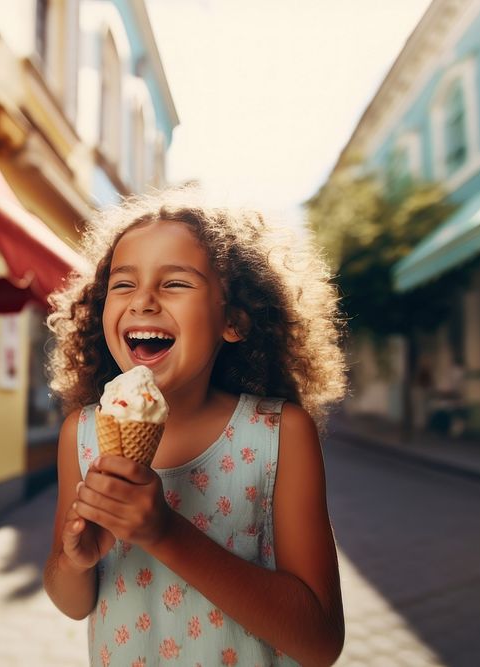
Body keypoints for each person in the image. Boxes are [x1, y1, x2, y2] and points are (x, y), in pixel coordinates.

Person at [43, 189, 348, 666]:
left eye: (175, 284)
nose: (142, 300)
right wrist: (74, 559)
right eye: (123, 285)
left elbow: (320, 641)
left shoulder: (278, 434)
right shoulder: (81, 434)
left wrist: (164, 533)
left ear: (235, 320)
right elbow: (71, 601)